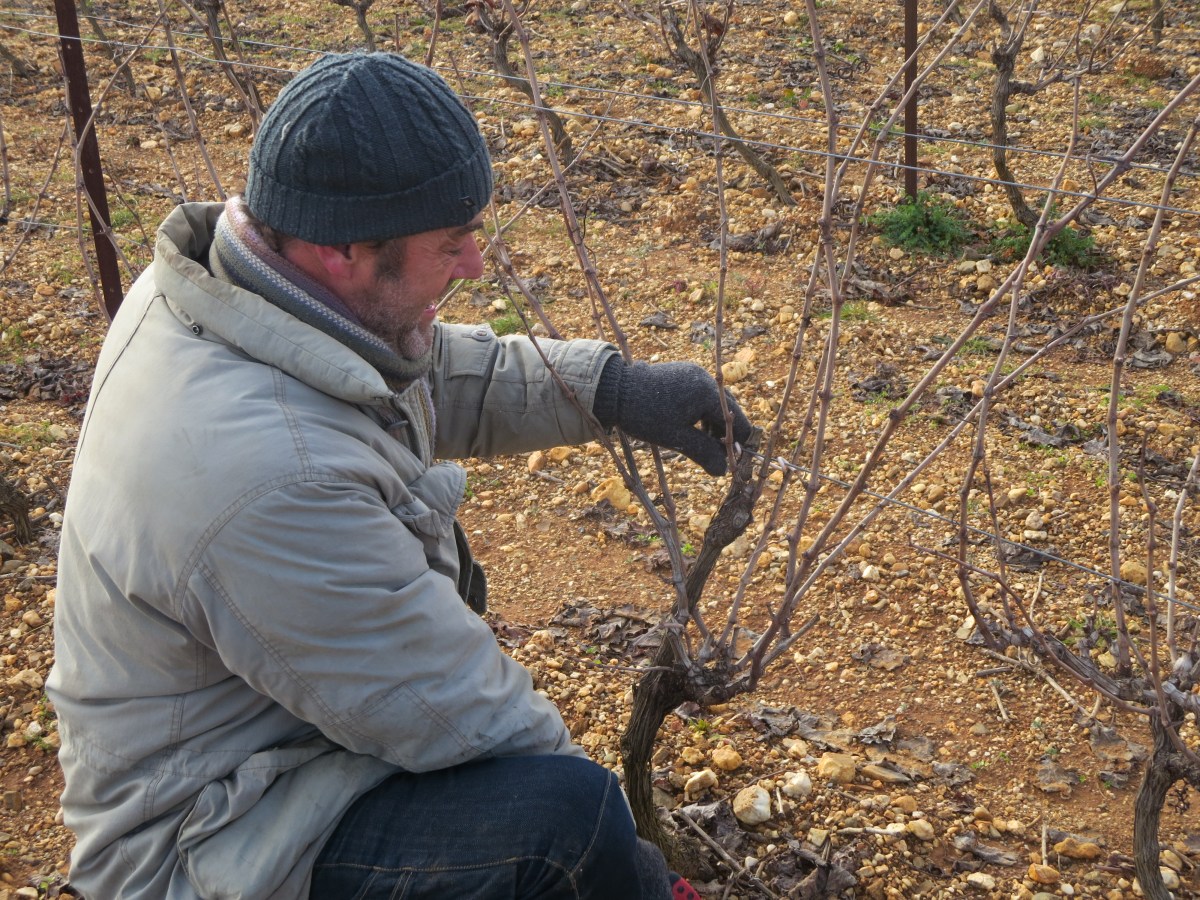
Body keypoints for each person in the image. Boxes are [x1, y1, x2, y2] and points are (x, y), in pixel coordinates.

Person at [46, 52, 748, 899]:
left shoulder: (225, 296)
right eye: (449, 244)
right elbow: (458, 713)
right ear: (343, 250)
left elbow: (416, 372)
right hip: (206, 844)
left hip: (267, 756)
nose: (475, 264)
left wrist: (609, 389)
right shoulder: (274, 479)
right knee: (570, 820)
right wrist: (625, 868)